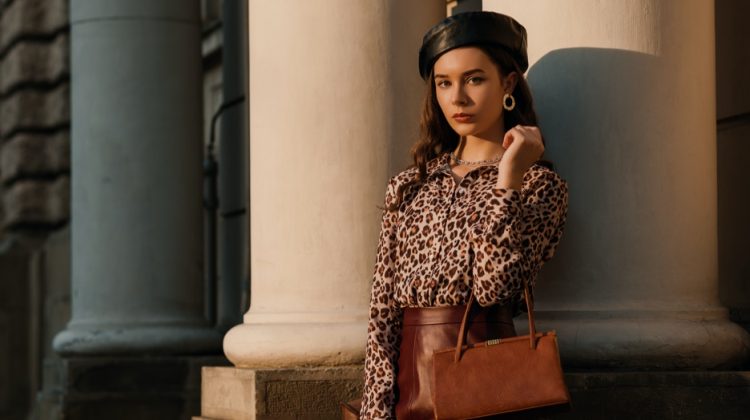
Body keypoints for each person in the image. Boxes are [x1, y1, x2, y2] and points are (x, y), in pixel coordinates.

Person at [359, 11, 569, 420]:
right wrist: (374, 411)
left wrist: (507, 178)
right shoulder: (410, 186)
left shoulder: (539, 186)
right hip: (410, 393)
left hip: (487, 385)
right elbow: (383, 316)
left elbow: (496, 288)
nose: (457, 98)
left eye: (474, 79)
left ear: (508, 83)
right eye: (444, 83)